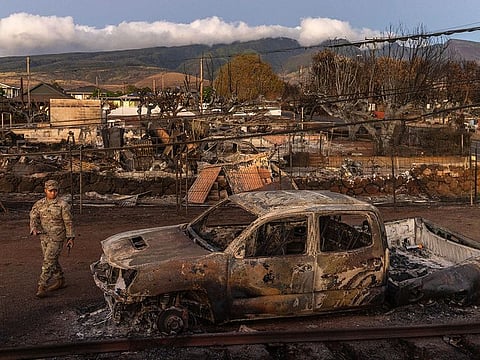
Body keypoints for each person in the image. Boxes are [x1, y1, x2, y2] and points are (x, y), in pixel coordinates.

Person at [30, 179, 75, 298]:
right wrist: (33, 228)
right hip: (44, 236)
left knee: (48, 261)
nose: (53, 193)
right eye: (50, 191)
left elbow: (68, 222)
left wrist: (70, 237)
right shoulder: (39, 204)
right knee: (51, 259)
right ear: (45, 191)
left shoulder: (63, 205)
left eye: (55, 191)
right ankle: (60, 280)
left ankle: (42, 286)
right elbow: (33, 217)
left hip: (58, 237)